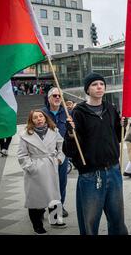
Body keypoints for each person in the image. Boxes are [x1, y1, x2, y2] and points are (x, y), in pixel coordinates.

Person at [64, 72, 128, 235]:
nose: (99, 87)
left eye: (101, 84)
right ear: (87, 89)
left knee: (117, 219)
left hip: (114, 170)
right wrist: (71, 134)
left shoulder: (110, 108)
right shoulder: (78, 112)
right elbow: (70, 150)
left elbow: (117, 138)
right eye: (94, 84)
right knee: (90, 222)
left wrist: (123, 125)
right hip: (91, 174)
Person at [17, 109, 66, 234]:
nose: (39, 119)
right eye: (35, 117)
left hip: (50, 165)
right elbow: (22, 155)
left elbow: (62, 146)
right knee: (35, 198)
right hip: (35, 169)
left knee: (53, 194)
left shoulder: (54, 131)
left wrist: (59, 159)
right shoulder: (26, 134)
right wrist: (31, 167)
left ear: (45, 118)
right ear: (31, 121)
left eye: (41, 116)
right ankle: (37, 225)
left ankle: (55, 220)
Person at [43, 87, 70, 218]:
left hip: (62, 153)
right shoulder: (41, 113)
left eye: (60, 96)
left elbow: (72, 133)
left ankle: (59, 206)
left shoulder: (67, 113)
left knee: (61, 181)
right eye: (54, 96)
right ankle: (42, 205)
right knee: (46, 182)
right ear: (49, 99)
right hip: (45, 155)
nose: (58, 98)